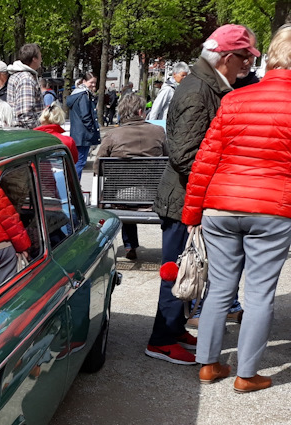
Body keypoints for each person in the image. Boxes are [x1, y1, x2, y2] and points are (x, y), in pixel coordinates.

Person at [180, 24, 291, 392]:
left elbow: (205, 162)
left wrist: (192, 213)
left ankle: (208, 365)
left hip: (221, 205)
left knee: (219, 287)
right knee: (259, 293)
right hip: (273, 208)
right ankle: (246, 374)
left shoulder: (234, 100)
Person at [147, 24, 259, 365]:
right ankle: (161, 340)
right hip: (183, 199)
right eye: (244, 57)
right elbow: (183, 156)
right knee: (178, 270)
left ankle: (175, 328)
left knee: (186, 267)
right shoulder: (199, 92)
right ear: (225, 57)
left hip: (188, 197)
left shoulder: (208, 85)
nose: (248, 65)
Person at [93, 94, 167, 260]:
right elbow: (169, 160)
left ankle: (129, 245)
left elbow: (98, 167)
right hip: (153, 196)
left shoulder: (113, 135)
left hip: (120, 199)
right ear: (141, 111)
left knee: (123, 188)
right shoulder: (158, 131)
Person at [66, 72, 100, 176]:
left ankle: (74, 186)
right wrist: (91, 130)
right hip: (84, 135)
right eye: (91, 82)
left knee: (77, 162)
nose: (93, 85)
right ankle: (75, 188)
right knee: (80, 162)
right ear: (84, 81)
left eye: (95, 83)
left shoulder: (76, 94)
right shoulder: (84, 96)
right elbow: (85, 115)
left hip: (77, 133)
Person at [6, 43, 43, 129]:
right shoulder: (26, 79)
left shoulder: (16, 75)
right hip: (27, 133)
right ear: (34, 59)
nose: (41, 60)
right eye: (40, 56)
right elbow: (25, 115)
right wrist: (40, 128)